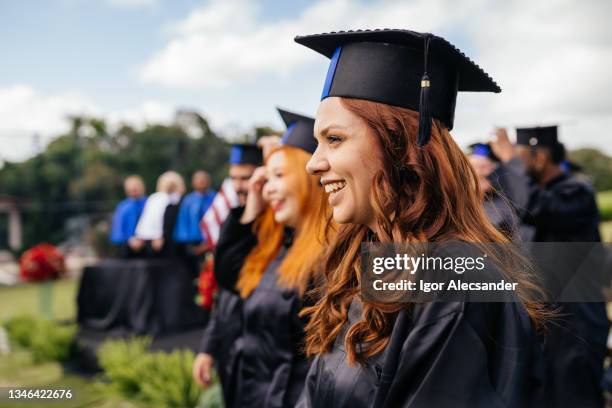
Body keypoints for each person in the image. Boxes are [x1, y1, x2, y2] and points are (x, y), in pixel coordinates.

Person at [294, 29, 548, 407]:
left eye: (334, 139)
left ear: (401, 147)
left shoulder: (457, 284)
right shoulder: (369, 263)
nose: (314, 163)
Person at [209, 108, 330, 408]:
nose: (267, 187)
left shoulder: (333, 257)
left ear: (310, 178)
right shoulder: (279, 246)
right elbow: (229, 277)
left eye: (279, 175)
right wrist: (252, 207)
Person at [490, 126, 608, 408]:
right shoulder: (535, 195)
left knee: (573, 398)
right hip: (544, 322)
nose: (516, 165)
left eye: (521, 158)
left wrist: (509, 160)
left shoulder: (575, 192)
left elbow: (534, 205)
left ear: (540, 159)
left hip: (574, 325)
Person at [193, 143, 263, 405]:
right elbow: (225, 295)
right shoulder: (237, 226)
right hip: (234, 355)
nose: (238, 186)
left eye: (245, 178)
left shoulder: (280, 232)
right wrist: (209, 349)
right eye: (233, 178)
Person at [467, 143, 519, 239]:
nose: (479, 172)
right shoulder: (458, 203)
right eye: (474, 167)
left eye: (484, 167)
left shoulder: (506, 202)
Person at [132, 171, 186, 256]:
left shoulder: (182, 200)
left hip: (176, 240)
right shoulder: (156, 199)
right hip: (158, 241)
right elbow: (149, 219)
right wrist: (156, 235)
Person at [173, 170, 216, 255]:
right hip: (191, 240)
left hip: (211, 240)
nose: (201, 182)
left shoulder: (215, 198)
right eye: (198, 179)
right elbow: (183, 221)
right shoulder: (188, 200)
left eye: (203, 179)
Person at [109, 175, 147, 256]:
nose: (133, 190)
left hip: (146, 245)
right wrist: (129, 240)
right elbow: (117, 230)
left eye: (136, 187)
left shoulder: (150, 204)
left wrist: (142, 239)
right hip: (126, 247)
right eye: (131, 188)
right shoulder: (122, 207)